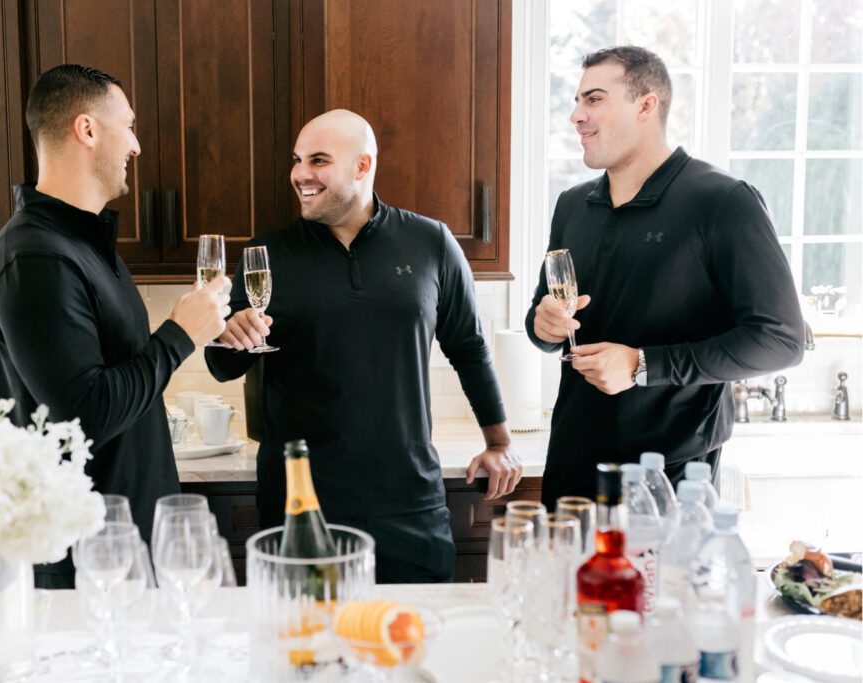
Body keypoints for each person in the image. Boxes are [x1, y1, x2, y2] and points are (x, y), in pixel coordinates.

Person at [205, 109, 522, 583]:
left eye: (318, 160)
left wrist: (499, 442)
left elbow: (469, 349)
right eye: (296, 160)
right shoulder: (267, 255)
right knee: (308, 650)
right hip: (301, 503)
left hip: (409, 500)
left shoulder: (430, 242)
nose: (299, 174)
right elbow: (220, 364)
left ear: (362, 165)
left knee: (409, 646)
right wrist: (232, 336)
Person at [525, 46, 805, 509]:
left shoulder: (723, 201)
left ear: (645, 106)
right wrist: (545, 325)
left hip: (670, 478)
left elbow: (781, 340)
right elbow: (548, 327)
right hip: (571, 468)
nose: (576, 115)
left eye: (593, 99)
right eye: (576, 101)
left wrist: (640, 365)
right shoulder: (572, 205)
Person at [0, 65, 230, 587]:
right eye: (131, 126)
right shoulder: (35, 257)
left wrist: (201, 328)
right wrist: (180, 334)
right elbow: (87, 412)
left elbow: (126, 373)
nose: (137, 147)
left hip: (128, 545)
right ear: (88, 130)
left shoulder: (85, 246)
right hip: (84, 561)